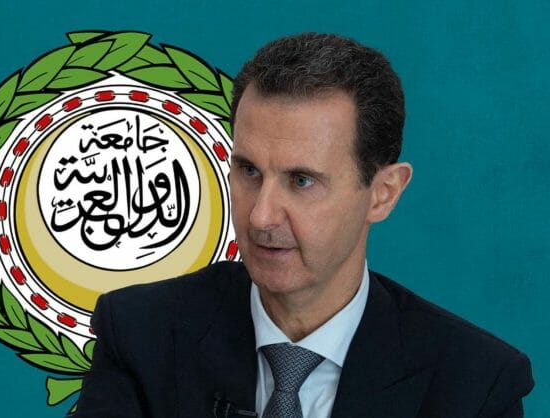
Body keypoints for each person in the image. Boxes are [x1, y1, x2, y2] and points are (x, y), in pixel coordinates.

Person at [73, 33, 534, 418]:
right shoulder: (140, 335)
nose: (261, 216)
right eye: (249, 171)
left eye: (301, 181)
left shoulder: (475, 386)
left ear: (383, 193)